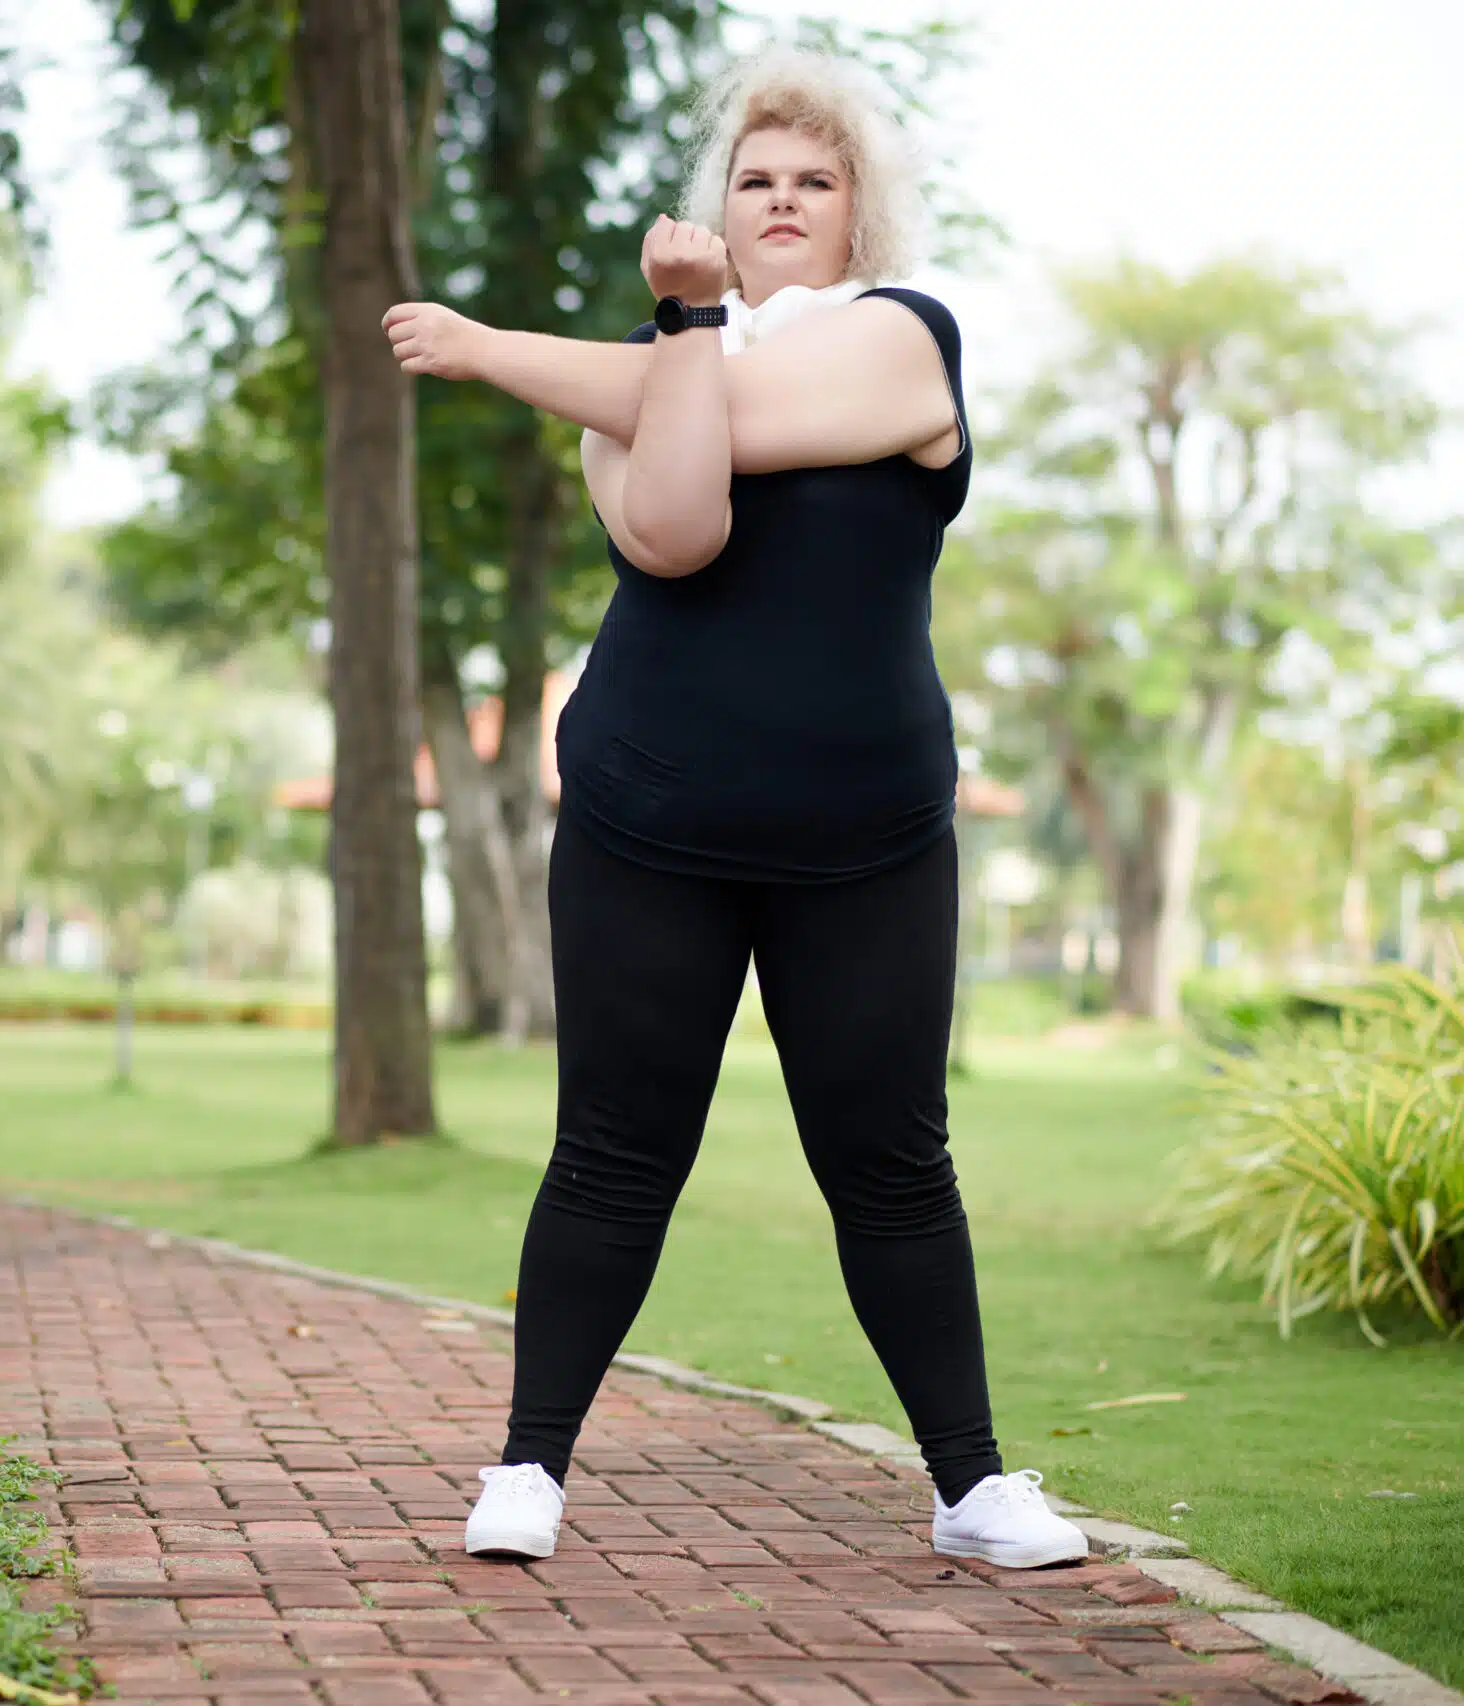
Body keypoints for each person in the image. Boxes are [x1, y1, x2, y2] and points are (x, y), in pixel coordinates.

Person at [380, 47, 1088, 1571]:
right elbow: (682, 526)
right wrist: (683, 335)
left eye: (812, 183)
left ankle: (973, 1486)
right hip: (650, 817)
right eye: (756, 182)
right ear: (719, 211)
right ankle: (530, 1467)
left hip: (868, 835)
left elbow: (742, 420)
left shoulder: (909, 341)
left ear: (857, 217)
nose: (782, 203)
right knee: (613, 1152)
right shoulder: (659, 368)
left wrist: (512, 344)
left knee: (892, 1163)